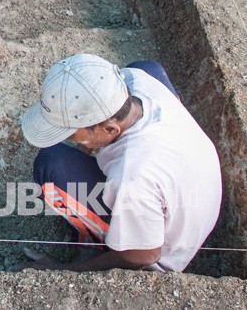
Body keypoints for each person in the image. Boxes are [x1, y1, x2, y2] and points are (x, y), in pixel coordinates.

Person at [16, 53, 222, 272]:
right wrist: (85, 147)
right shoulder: (138, 80)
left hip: (160, 250)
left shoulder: (133, 175)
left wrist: (65, 270)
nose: (68, 139)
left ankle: (97, 242)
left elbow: (144, 255)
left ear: (110, 129)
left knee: (51, 165)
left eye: (71, 133)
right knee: (145, 66)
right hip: (196, 194)